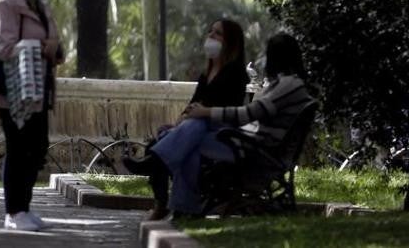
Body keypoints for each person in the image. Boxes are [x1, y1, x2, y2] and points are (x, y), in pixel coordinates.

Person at [127, 32, 313, 217]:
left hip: (253, 152)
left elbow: (248, 114)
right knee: (192, 133)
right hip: (249, 145)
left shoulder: (289, 85)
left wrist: (206, 112)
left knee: (191, 133)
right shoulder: (288, 84)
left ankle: (159, 160)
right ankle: (178, 199)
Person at [127, 19, 249, 220]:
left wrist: (200, 113)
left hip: (221, 135)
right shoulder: (206, 73)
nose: (210, 36)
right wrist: (182, 118)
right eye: (210, 31)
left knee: (164, 141)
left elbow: (229, 110)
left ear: (230, 42)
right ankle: (181, 209)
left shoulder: (236, 74)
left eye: (217, 33)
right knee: (184, 146)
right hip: (197, 133)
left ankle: (157, 174)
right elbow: (193, 104)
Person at [0, 0, 63, 232]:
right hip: (14, 91)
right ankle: (13, 211)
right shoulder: (9, 5)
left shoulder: (41, 7)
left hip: (40, 89)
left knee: (38, 147)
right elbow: (4, 46)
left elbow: (53, 40)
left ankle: (24, 207)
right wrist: (44, 46)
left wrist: (55, 48)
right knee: (19, 148)